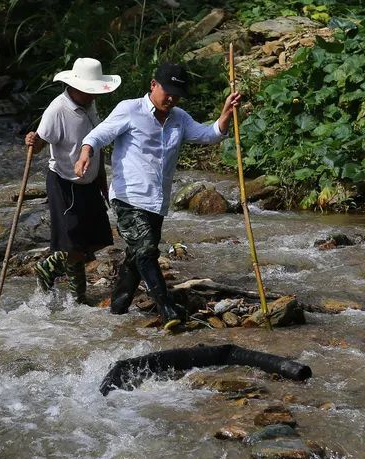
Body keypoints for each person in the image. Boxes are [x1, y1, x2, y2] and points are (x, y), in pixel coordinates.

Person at [74, 61, 241, 328]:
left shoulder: (179, 118)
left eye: (177, 95)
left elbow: (209, 135)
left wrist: (226, 113)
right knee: (146, 251)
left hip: (156, 201)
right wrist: (85, 153)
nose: (171, 99)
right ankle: (167, 309)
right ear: (153, 85)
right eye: (168, 92)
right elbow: (98, 135)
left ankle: (117, 309)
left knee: (136, 256)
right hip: (128, 197)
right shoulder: (130, 109)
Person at [25, 57, 119, 303]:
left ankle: (67, 285)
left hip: (90, 180)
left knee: (98, 240)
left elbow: (96, 144)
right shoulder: (58, 109)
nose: (93, 95)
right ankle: (64, 284)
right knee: (73, 246)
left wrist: (102, 180)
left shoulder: (89, 105)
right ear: (75, 87)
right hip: (64, 182)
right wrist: (33, 141)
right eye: (89, 90)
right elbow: (40, 143)